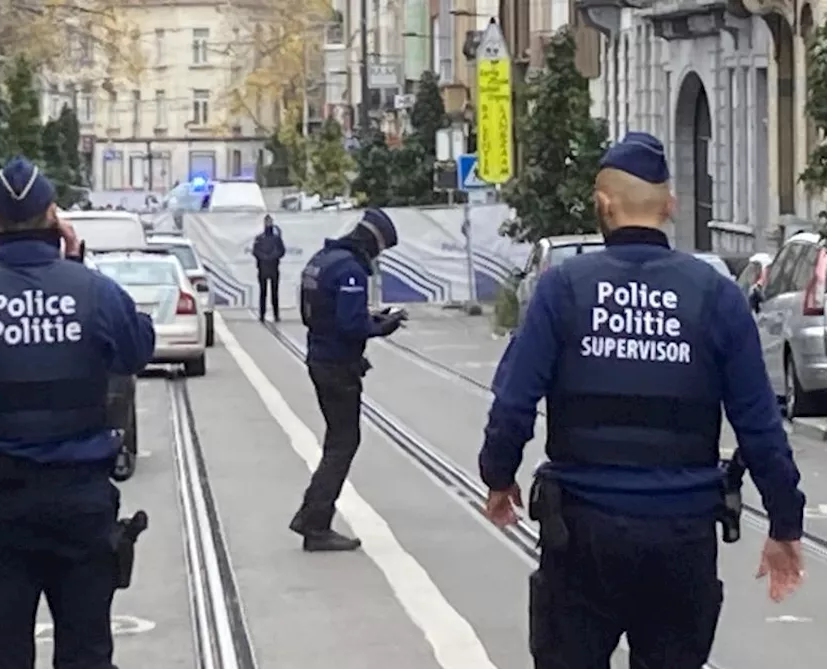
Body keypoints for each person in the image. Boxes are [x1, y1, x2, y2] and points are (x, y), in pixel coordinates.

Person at [478, 132, 806, 668]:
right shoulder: (715, 295)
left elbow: (513, 402)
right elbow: (761, 426)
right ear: (670, 206)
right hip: (681, 535)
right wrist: (785, 523)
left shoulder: (564, 289)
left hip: (581, 533)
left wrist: (498, 477)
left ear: (602, 205)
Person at [0, 157, 156, 669]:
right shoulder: (94, 292)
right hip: (82, 504)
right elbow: (136, 350)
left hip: (1, 508)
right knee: (86, 653)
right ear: (54, 216)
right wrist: (78, 264)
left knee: (2, 656)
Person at [290, 208, 405, 551]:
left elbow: (317, 311)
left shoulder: (322, 259)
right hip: (337, 365)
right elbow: (349, 324)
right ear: (373, 242)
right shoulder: (351, 270)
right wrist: (382, 326)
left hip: (320, 357)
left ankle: (311, 514)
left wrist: (365, 317)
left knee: (337, 439)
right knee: (343, 442)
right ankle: (315, 521)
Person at [252, 214, 286, 322]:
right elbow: (255, 251)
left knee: (274, 293)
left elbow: (281, 251)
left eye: (270, 222)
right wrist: (264, 257)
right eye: (267, 222)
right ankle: (262, 314)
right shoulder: (259, 238)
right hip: (262, 268)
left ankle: (276, 314)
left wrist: (272, 256)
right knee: (263, 292)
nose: (268, 224)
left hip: (274, 267)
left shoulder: (276, 238)